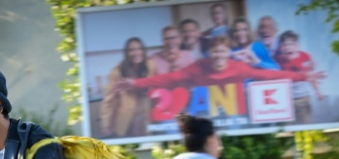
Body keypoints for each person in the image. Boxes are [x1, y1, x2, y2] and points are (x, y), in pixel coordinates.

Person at [116, 35, 325, 94]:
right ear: (210, 53)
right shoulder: (197, 67)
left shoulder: (240, 68)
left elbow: (271, 76)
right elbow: (166, 78)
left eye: (223, 51)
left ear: (228, 53)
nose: (218, 56)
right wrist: (135, 83)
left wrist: (304, 76)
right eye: (215, 51)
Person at [100, 37, 156, 138]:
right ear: (126, 53)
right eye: (131, 50)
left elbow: (155, 87)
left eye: (139, 49)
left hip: (146, 117)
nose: (136, 52)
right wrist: (106, 124)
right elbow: (109, 99)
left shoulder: (150, 66)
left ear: (143, 50)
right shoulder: (117, 71)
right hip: (125, 120)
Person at [275, 30, 322, 124]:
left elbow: (310, 74)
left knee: (306, 124)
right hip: (286, 100)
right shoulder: (278, 59)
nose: (288, 47)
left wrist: (317, 91)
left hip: (303, 98)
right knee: (289, 128)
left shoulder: (305, 56)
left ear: (297, 45)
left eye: (290, 44)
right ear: (281, 47)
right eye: (284, 45)